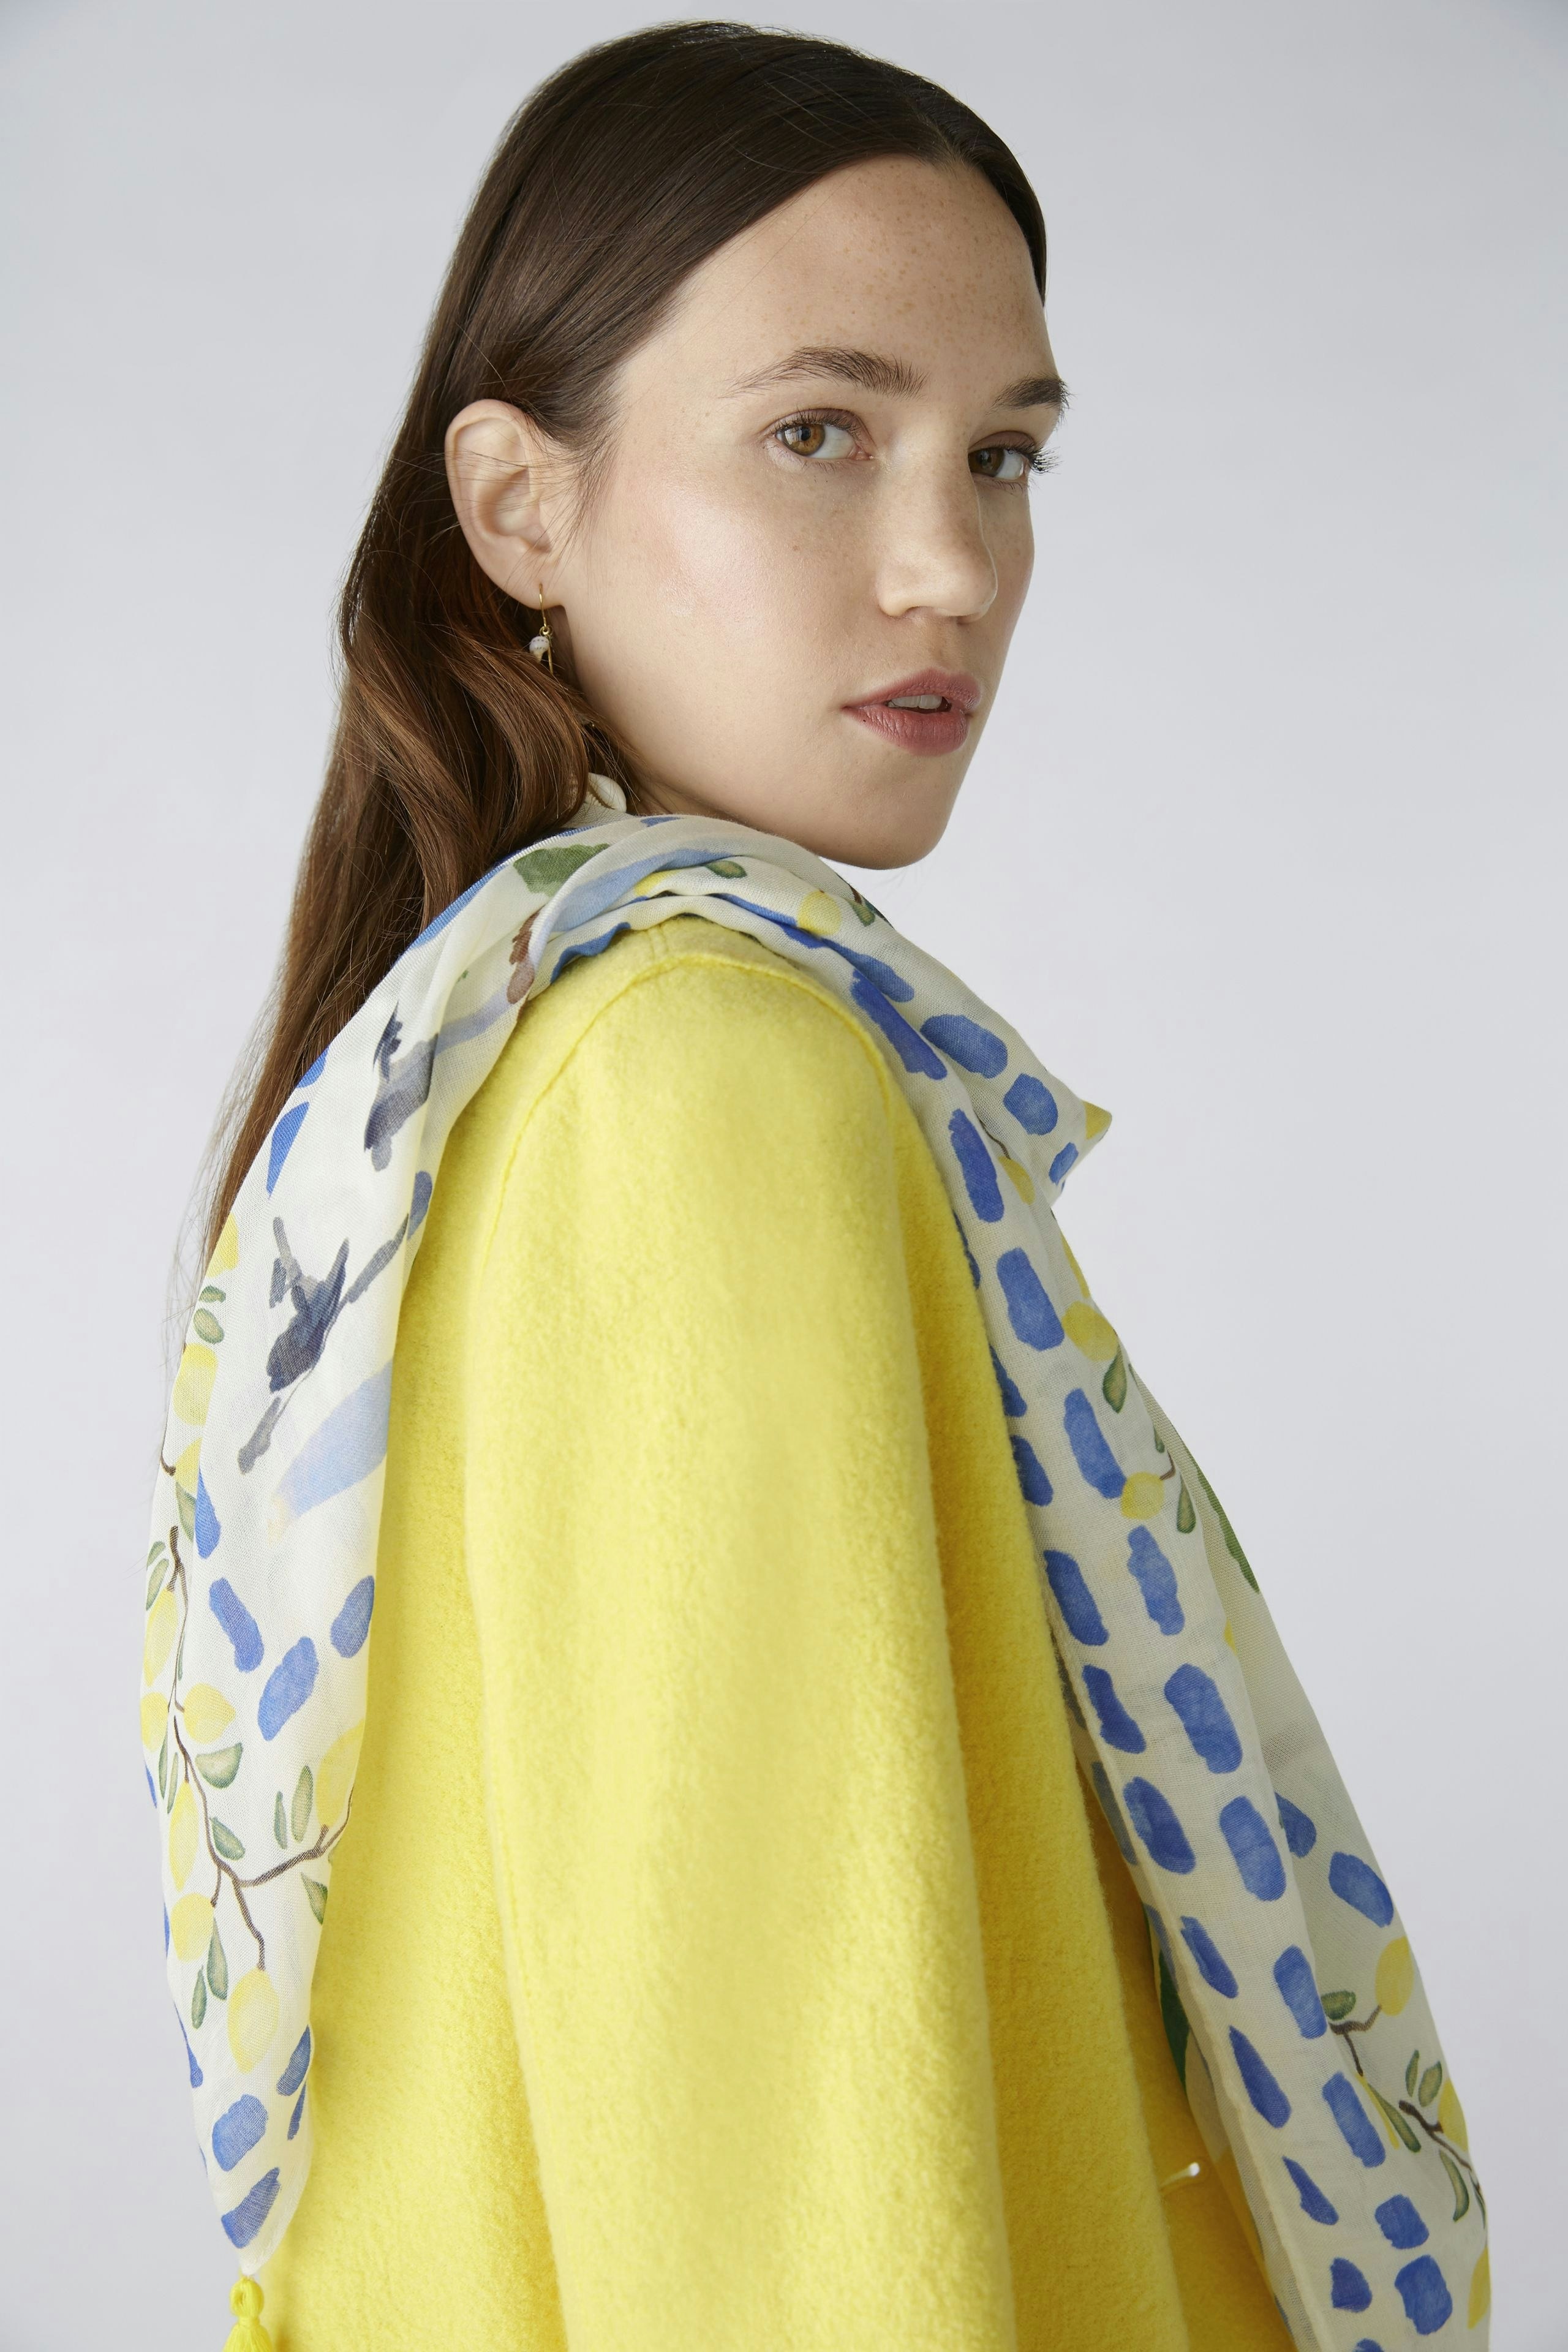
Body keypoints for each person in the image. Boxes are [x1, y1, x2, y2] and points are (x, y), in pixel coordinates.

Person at [141, 23, 1487, 2352]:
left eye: (1006, 455)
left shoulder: (495, 1056)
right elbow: (787, 2151)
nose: (953, 565)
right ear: (520, 507)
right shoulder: (703, 1084)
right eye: (819, 435)